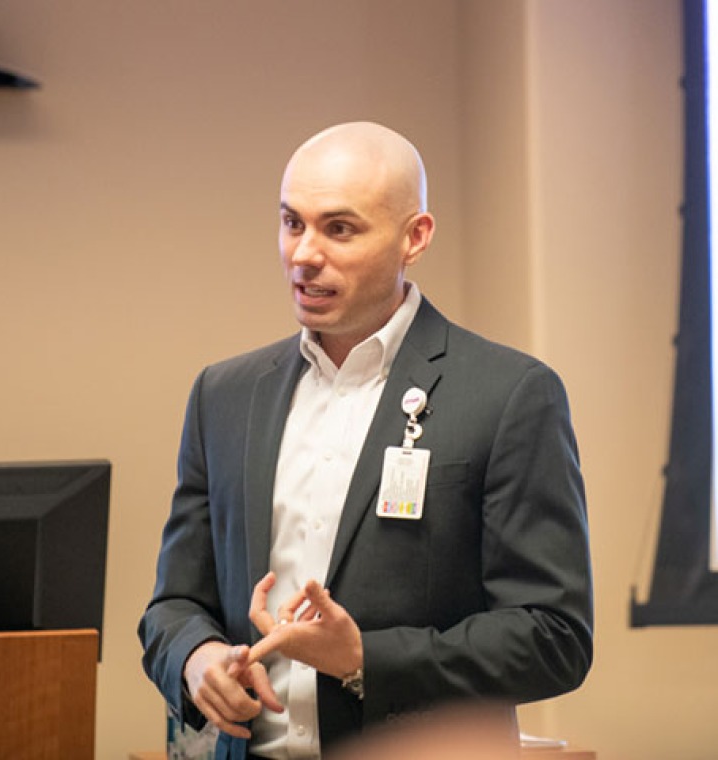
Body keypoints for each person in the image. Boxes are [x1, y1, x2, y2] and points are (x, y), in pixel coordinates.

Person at [138, 122, 593, 760]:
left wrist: (363, 659)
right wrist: (196, 658)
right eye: (292, 222)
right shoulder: (225, 395)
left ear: (415, 237)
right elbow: (174, 604)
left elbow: (554, 637)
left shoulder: (510, 394)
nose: (304, 253)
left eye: (340, 229)